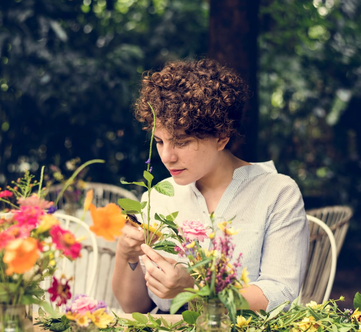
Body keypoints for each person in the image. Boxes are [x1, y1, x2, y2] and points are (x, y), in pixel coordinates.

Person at [112, 58, 309, 314]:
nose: (167, 157)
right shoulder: (159, 196)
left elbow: (280, 293)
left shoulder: (277, 192)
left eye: (181, 142)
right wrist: (126, 254)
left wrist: (195, 289)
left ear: (221, 138)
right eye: (159, 141)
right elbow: (133, 306)